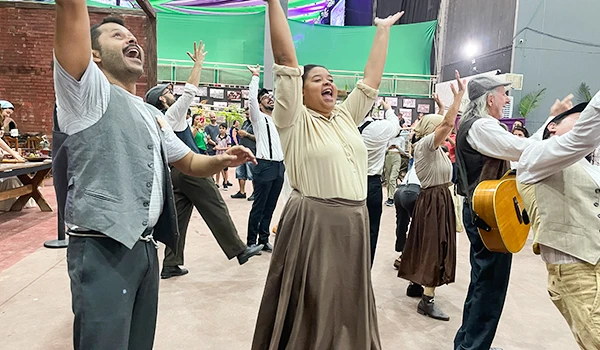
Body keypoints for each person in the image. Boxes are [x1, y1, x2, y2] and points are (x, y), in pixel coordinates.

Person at [53, 11, 256, 349]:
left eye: (131, 36)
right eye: (117, 36)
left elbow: (188, 161)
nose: (131, 39)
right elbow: (71, 12)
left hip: (146, 247)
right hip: (103, 246)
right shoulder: (86, 95)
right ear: (94, 55)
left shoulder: (153, 115)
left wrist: (221, 159)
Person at [251, 2, 402, 348]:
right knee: (313, 301)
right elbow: (287, 62)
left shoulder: (347, 117)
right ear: (300, 92)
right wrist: (275, 3)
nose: (328, 83)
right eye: (318, 79)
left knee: (347, 301)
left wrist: (382, 32)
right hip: (315, 222)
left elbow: (370, 82)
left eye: (331, 79)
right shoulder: (294, 119)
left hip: (355, 222)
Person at [454, 75, 573, 350]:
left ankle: (469, 343)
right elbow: (523, 149)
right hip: (488, 215)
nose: (508, 100)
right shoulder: (483, 126)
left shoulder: (476, 126)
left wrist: (549, 122)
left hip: (482, 212)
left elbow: (520, 147)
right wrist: (563, 136)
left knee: (482, 282)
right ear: (490, 98)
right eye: (504, 94)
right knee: (490, 287)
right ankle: (473, 346)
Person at [145, 42, 262, 279]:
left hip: (176, 173)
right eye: (167, 92)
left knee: (179, 218)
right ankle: (239, 250)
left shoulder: (165, 119)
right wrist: (198, 64)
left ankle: (171, 263)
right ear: (162, 101)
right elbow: (190, 91)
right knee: (215, 206)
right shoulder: (171, 114)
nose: (171, 92)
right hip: (190, 170)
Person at [517, 96, 600, 350]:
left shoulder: (589, 165)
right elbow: (580, 137)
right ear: (553, 126)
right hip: (577, 267)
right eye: (580, 118)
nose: (588, 125)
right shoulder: (536, 156)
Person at [397, 71, 465, 321]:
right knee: (435, 247)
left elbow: (444, 123)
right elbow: (447, 124)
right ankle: (427, 299)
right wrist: (459, 97)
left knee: (423, 243)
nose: (445, 129)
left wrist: (443, 105)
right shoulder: (427, 144)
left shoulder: (431, 147)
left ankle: (416, 284)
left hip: (436, 198)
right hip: (434, 200)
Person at [245, 64, 285, 252]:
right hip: (264, 165)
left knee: (271, 206)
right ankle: (251, 241)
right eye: (266, 98)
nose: (270, 99)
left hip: (278, 167)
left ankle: (264, 238)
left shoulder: (277, 120)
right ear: (260, 104)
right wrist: (255, 77)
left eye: (271, 97)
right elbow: (251, 100)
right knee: (259, 206)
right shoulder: (258, 118)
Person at [359, 100, 401, 265]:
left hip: (346, 182)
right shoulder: (376, 128)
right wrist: (388, 108)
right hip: (371, 183)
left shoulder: (343, 127)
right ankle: (365, 272)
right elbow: (395, 126)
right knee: (370, 230)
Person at [232, 106, 256, 200]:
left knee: (252, 173)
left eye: (248, 114)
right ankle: (241, 191)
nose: (246, 116)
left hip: (252, 150)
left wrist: (246, 135)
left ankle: (255, 192)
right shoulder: (246, 123)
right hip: (242, 150)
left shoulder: (256, 124)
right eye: (245, 114)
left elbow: (259, 138)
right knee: (240, 172)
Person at [384, 126, 410, 207]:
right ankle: (389, 196)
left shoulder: (401, 139)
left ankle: (391, 198)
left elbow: (404, 152)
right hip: (388, 156)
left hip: (397, 157)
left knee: (393, 178)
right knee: (388, 178)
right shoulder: (388, 139)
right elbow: (383, 150)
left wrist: (398, 148)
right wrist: (389, 148)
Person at [215, 122, 232, 189]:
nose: (221, 130)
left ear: (226, 129)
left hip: (225, 155)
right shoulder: (217, 137)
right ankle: (217, 182)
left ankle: (225, 182)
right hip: (218, 155)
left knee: (225, 170)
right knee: (217, 170)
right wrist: (216, 147)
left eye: (223, 128)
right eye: (220, 128)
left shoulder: (227, 138)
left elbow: (229, 147)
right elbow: (216, 145)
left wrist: (220, 148)